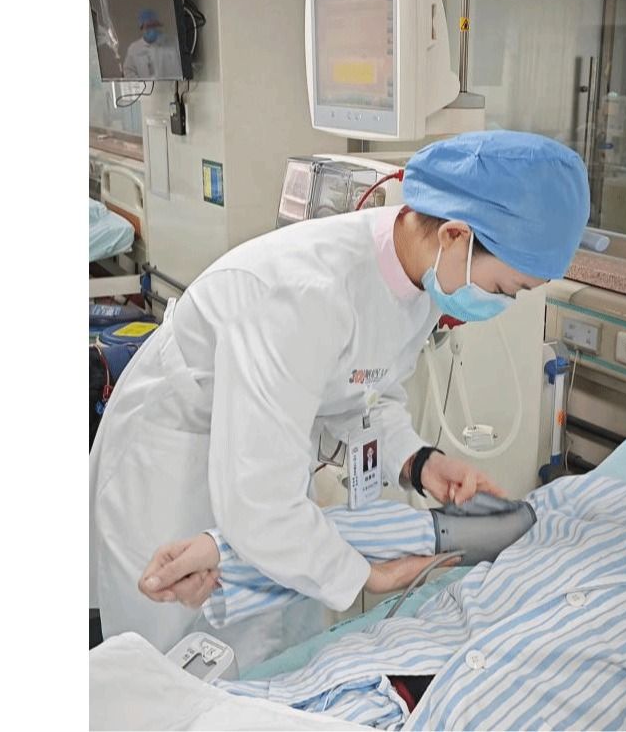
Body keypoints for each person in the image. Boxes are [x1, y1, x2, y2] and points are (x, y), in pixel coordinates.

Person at [90, 130, 590, 666]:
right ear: (454, 235)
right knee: (169, 659)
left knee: (273, 640)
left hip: (265, 458)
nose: (500, 305)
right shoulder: (302, 295)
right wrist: (365, 574)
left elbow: (369, 391)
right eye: (502, 290)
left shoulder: (419, 275)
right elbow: (259, 502)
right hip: (170, 464)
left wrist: (418, 461)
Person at [122, 8, 182, 79]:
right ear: (141, 28)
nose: (152, 29)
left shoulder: (173, 42)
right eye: (148, 26)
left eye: (154, 25)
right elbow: (128, 71)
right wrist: (141, 83)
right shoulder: (134, 48)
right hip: (148, 86)